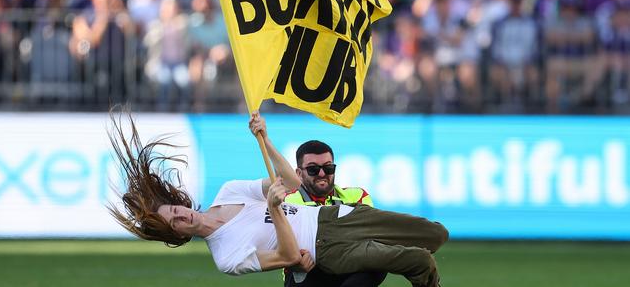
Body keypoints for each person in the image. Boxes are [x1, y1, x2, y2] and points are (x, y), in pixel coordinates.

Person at [107, 110, 448, 286]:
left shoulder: (228, 192)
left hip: (336, 216)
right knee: (418, 261)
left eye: (176, 209)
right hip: (326, 249)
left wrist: (265, 139)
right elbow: (288, 255)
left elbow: (288, 181)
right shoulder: (227, 257)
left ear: (180, 200)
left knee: (436, 235)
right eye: (176, 222)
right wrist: (275, 208)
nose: (183, 216)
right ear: (178, 236)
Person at [282, 139, 387, 286]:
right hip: (308, 272)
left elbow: (370, 237)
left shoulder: (357, 196)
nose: (322, 174)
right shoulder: (287, 202)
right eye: (313, 169)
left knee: (379, 259)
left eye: (328, 168)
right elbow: (280, 247)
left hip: (348, 267)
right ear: (299, 173)